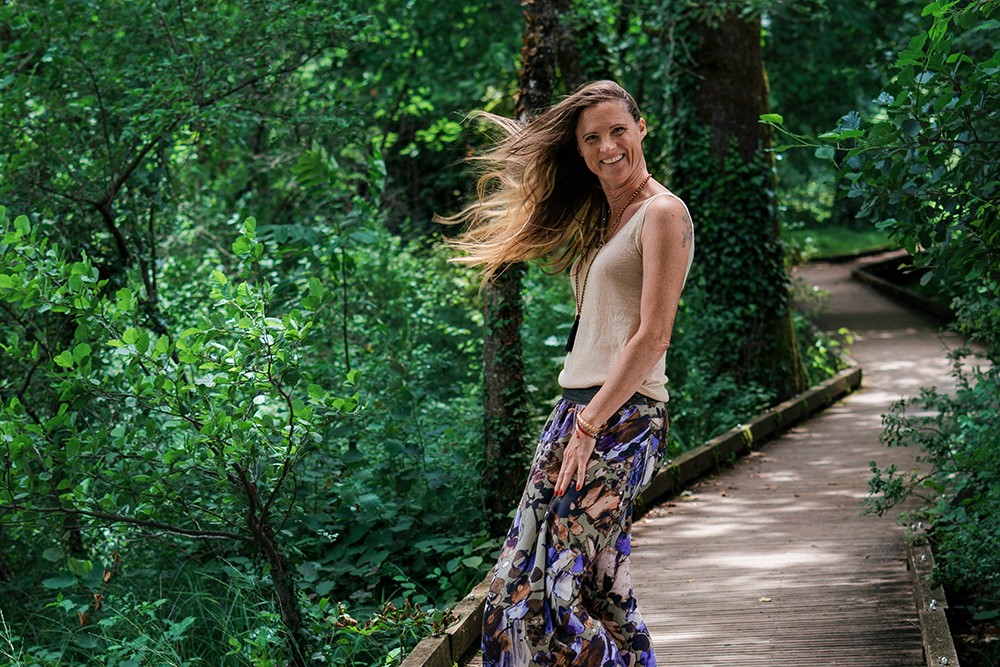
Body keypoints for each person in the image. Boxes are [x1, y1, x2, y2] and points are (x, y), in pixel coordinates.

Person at [442, 80, 695, 667]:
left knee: (544, 590)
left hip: (620, 419)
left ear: (641, 129)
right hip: (577, 412)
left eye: (617, 131)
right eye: (592, 139)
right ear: (579, 152)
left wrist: (589, 427)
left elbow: (655, 334)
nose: (608, 147)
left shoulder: (662, 212)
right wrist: (575, 423)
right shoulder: (605, 218)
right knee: (580, 583)